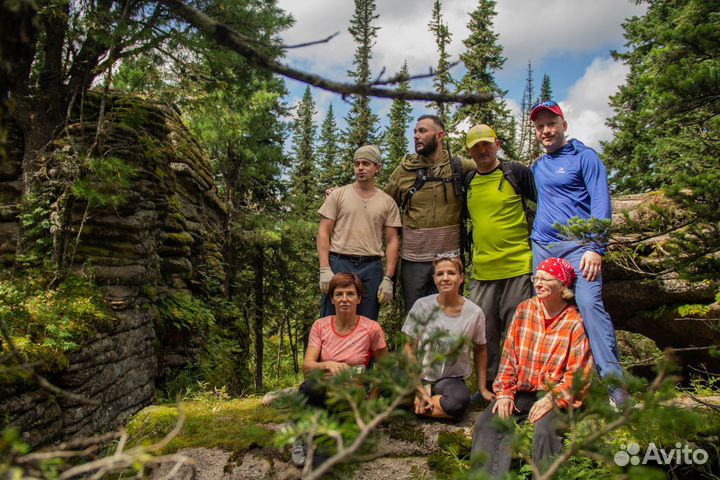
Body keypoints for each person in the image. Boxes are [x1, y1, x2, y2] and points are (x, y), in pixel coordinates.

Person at [529, 100, 629, 408]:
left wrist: (595, 248)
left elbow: (601, 204)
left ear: (563, 125)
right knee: (548, 314)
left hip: (579, 250)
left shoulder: (585, 158)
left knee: (588, 305)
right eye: (540, 126)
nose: (546, 130)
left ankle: (617, 392)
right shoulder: (538, 165)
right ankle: (554, 389)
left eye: (551, 124)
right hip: (544, 248)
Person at [471, 258, 592, 478]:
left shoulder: (574, 322)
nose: (539, 282)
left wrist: (551, 399)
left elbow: (578, 377)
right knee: (487, 425)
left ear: (562, 285)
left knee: (545, 431)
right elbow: (508, 357)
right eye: (537, 277)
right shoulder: (524, 310)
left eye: (546, 278)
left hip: (555, 397)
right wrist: (505, 393)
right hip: (521, 392)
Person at [463, 124, 536, 393]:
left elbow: (546, 203)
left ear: (497, 144)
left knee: (515, 331)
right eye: (476, 146)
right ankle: (490, 386)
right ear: (469, 151)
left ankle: (514, 385)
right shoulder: (468, 181)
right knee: (484, 333)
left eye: (486, 144)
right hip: (482, 270)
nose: (482, 150)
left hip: (518, 264)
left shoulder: (516, 173)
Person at [293, 272, 388, 467]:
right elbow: (308, 366)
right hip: (322, 393)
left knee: (325, 459)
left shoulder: (372, 328)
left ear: (359, 298)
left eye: (350, 294)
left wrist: (371, 402)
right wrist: (329, 364)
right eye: (339, 294)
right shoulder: (320, 326)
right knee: (309, 387)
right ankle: (301, 436)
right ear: (332, 299)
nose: (344, 299)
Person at [384, 115, 476, 312]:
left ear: (440, 135)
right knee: (416, 319)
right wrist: (342, 194)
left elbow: (490, 169)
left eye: (423, 131)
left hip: (450, 259)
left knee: (451, 317)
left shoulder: (460, 167)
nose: (416, 136)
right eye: (415, 131)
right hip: (414, 260)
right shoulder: (404, 170)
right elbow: (382, 205)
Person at [402, 253, 492, 420]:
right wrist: (418, 387)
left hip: (450, 379)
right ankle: (426, 402)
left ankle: (419, 405)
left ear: (461, 277)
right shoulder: (422, 306)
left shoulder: (474, 313)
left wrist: (483, 388)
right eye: (439, 274)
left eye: (451, 273)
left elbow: (480, 349)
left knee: (458, 403)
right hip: (419, 375)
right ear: (434, 279)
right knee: (391, 389)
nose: (445, 278)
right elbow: (408, 349)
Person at [317, 145, 401, 320]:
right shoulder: (338, 195)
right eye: (357, 164)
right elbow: (323, 232)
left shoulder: (387, 202)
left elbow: (392, 241)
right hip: (340, 262)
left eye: (366, 163)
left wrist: (388, 278)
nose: (360, 168)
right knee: (332, 320)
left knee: (367, 323)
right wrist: (325, 269)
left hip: (371, 267)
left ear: (377, 168)